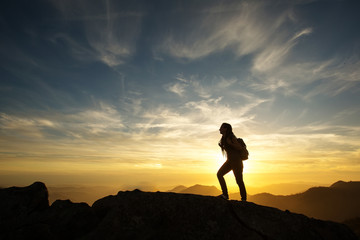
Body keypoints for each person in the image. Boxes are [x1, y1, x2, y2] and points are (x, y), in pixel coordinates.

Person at [217, 123, 247, 201]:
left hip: (236, 161)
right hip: (230, 161)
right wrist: (223, 146)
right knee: (219, 174)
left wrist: (231, 144)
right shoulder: (224, 137)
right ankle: (225, 195)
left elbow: (239, 148)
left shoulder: (231, 137)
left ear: (225, 128)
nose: (219, 129)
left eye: (221, 128)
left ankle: (243, 199)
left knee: (239, 181)